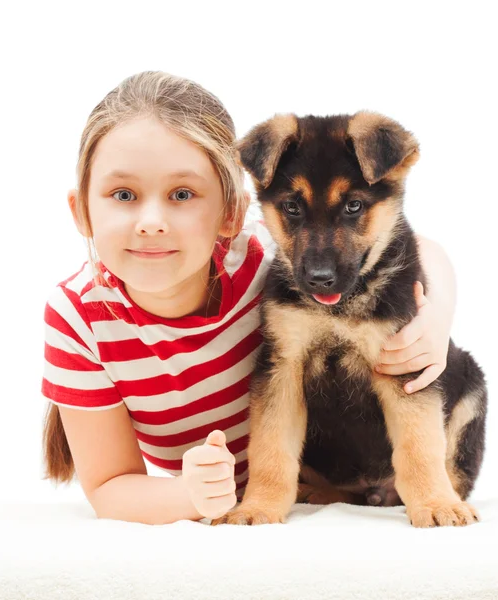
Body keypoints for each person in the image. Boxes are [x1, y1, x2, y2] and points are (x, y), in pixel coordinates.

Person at [42, 71, 457, 526]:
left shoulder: (260, 261)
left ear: (233, 214)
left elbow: (419, 248)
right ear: (81, 210)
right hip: (237, 499)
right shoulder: (79, 316)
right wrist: (188, 496)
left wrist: (435, 317)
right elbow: (108, 487)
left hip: (323, 477)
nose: (151, 221)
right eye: (124, 194)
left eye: (182, 194)